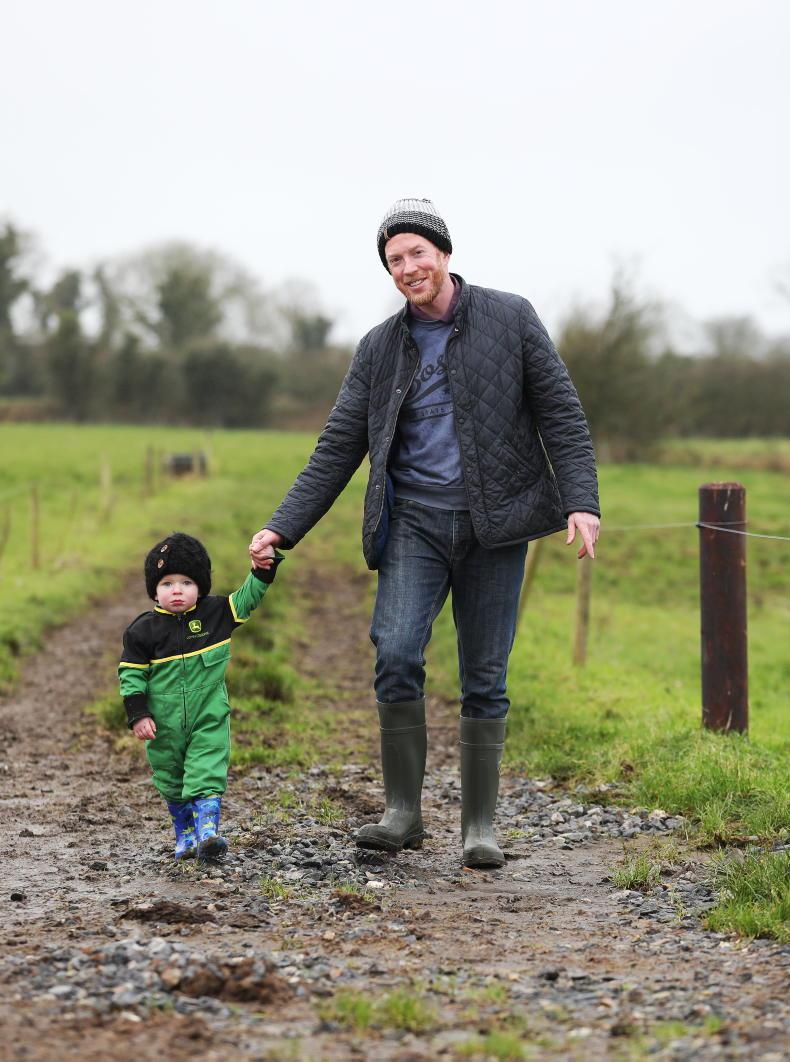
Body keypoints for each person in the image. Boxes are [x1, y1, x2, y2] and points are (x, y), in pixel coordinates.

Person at [250, 198, 600, 868]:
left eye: (416, 253)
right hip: (413, 521)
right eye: (394, 260)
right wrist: (281, 528)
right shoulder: (379, 348)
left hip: (497, 524)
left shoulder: (511, 317)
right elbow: (337, 447)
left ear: (443, 253)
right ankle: (403, 813)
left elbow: (562, 413)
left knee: (486, 674)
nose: (408, 268)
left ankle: (479, 826)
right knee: (397, 650)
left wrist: (581, 502)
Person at [119, 532, 281, 860]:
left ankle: (208, 832)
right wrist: (138, 713)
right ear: (154, 590)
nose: (177, 590)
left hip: (208, 714)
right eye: (167, 584)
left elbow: (248, 597)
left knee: (207, 768)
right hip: (163, 724)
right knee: (170, 777)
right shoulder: (141, 632)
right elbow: (131, 675)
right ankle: (185, 835)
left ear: (201, 586)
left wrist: (263, 569)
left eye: (186, 582)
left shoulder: (216, 614)